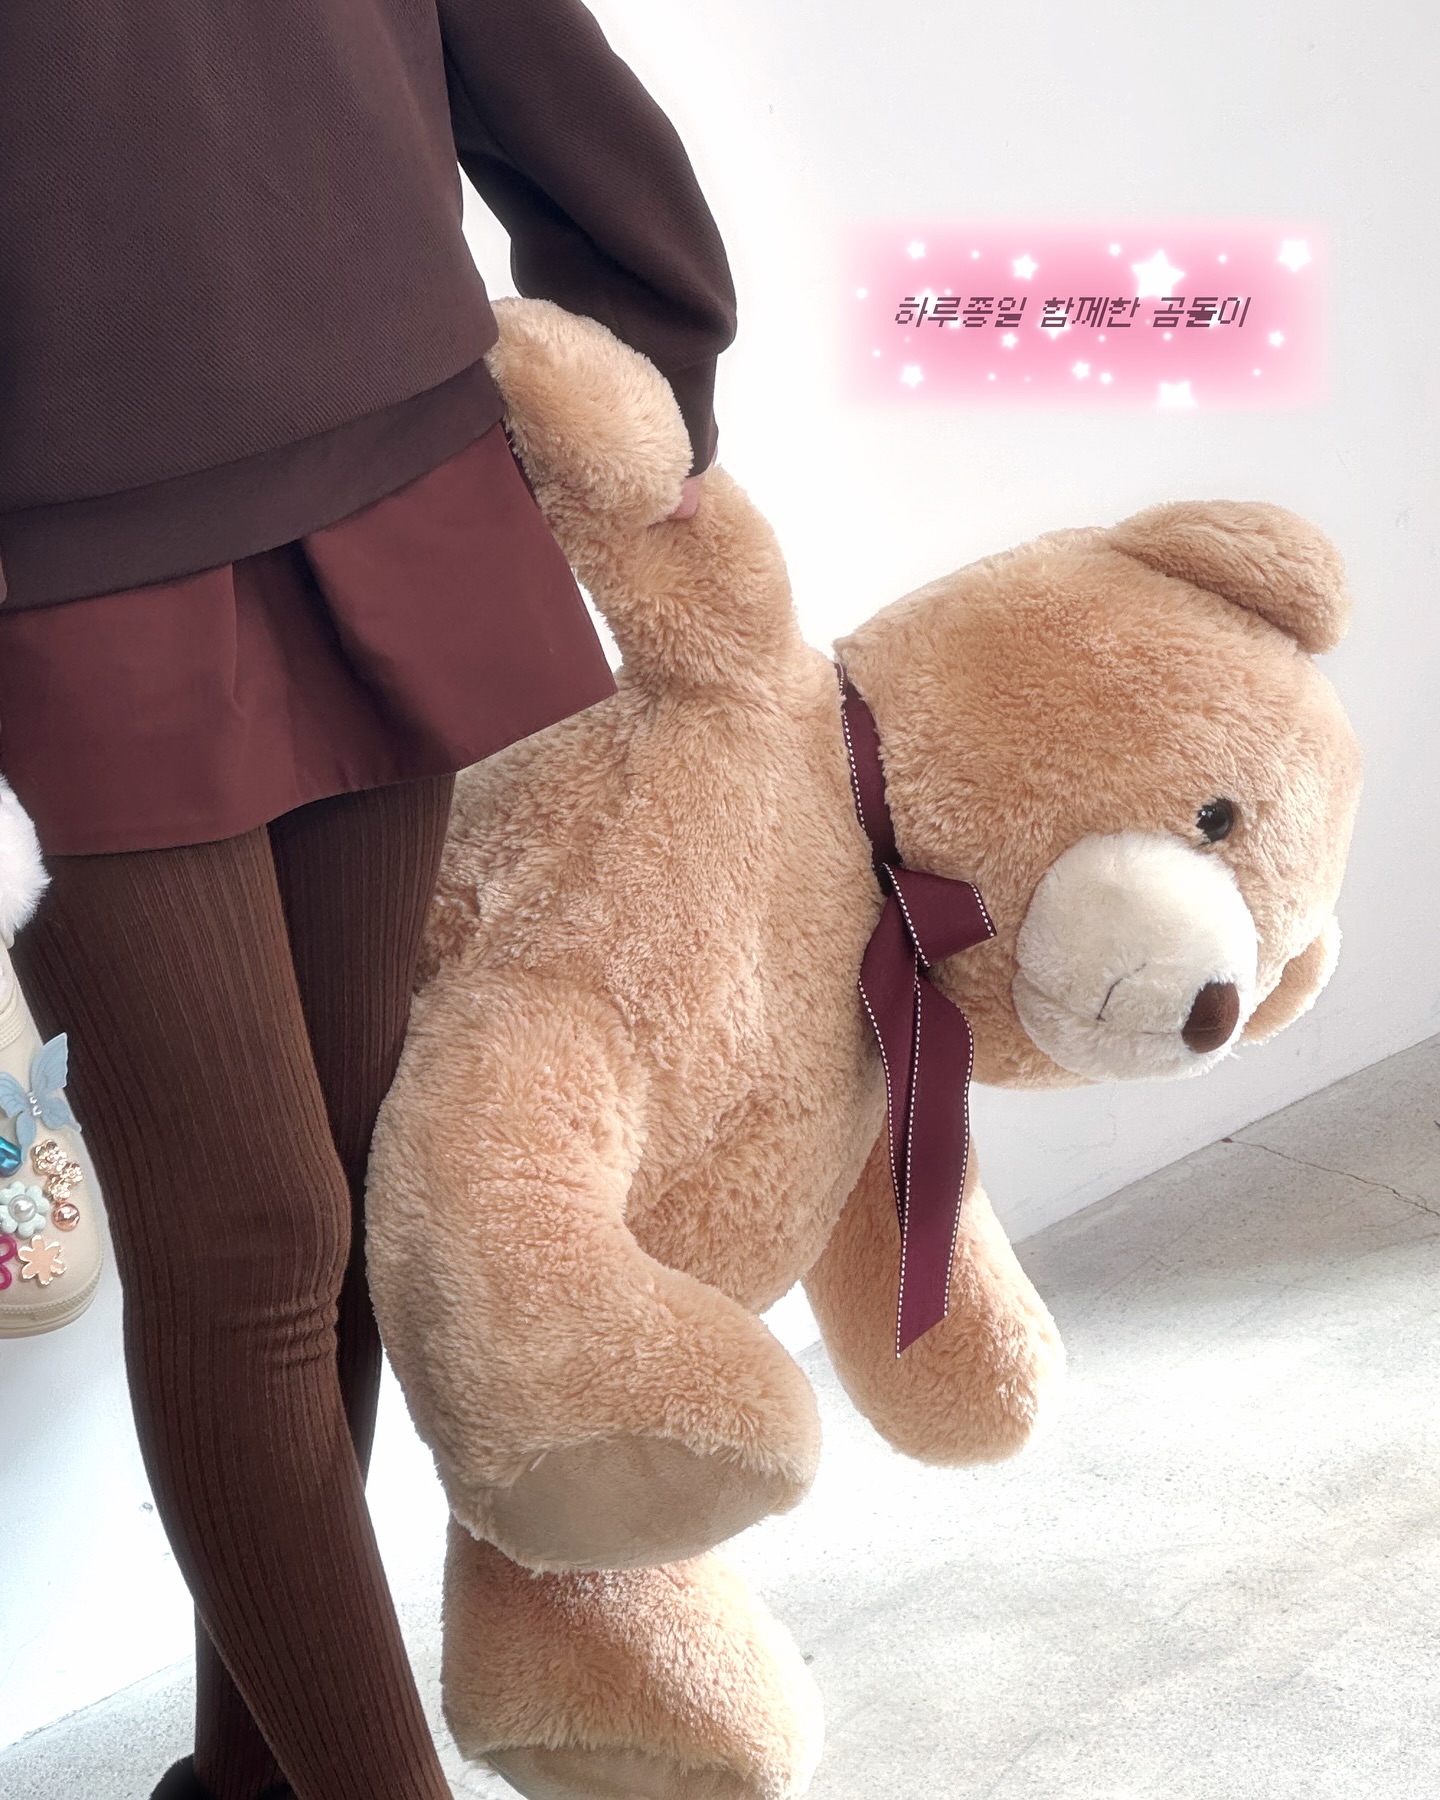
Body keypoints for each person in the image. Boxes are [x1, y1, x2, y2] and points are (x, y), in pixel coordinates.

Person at [0, 3, 736, 1797]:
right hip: (55, 555)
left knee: (337, 1179)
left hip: (392, 466)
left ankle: (253, 1780)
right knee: (250, 1236)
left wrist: (643, 335)